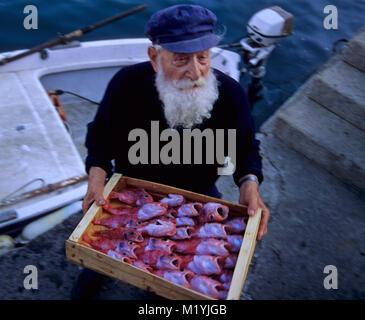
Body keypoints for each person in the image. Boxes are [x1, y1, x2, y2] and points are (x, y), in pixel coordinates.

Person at [73, 4, 270, 300]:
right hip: (132, 193)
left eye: (202, 58)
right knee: (96, 252)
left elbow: (246, 146)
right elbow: (100, 137)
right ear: (155, 57)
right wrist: (97, 179)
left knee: (175, 285)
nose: (195, 72)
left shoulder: (230, 94)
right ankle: (90, 281)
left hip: (198, 196)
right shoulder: (126, 84)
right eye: (180, 60)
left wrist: (249, 184)